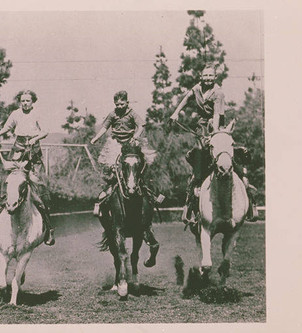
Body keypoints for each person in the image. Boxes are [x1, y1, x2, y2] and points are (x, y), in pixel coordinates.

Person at [169, 65, 258, 224]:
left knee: (226, 153)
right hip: (202, 126)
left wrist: (214, 134)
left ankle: (249, 199)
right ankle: (191, 198)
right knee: (197, 152)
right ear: (201, 76)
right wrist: (176, 112)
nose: (208, 78)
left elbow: (217, 115)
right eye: (205, 75)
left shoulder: (218, 93)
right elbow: (187, 97)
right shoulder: (198, 88)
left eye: (211, 76)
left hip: (217, 127)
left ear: (215, 77)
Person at [90, 90, 159, 262]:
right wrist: (95, 139)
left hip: (132, 144)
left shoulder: (132, 113)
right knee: (112, 170)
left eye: (122, 104)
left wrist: (135, 138)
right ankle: (103, 198)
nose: (120, 107)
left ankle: (150, 194)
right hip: (115, 145)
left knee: (139, 167)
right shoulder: (113, 114)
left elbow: (141, 126)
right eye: (117, 104)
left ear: (127, 102)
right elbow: (104, 127)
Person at [0, 90, 55, 246]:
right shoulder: (15, 113)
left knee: (37, 188)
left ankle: (49, 229)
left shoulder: (38, 114)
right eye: (22, 100)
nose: (25, 103)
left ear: (33, 101)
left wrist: (34, 139)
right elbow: (7, 127)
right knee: (8, 184)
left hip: (33, 151)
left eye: (28, 101)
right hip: (18, 148)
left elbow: (46, 131)